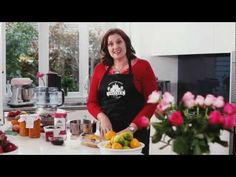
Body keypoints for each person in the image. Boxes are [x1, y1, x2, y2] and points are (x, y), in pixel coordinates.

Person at [87, 28, 158, 155]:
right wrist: (102, 117)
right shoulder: (100, 69)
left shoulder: (142, 66)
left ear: (126, 43)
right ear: (106, 48)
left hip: (135, 134)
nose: (115, 46)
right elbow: (92, 102)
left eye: (119, 42)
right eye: (110, 44)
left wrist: (132, 128)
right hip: (108, 134)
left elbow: (152, 102)